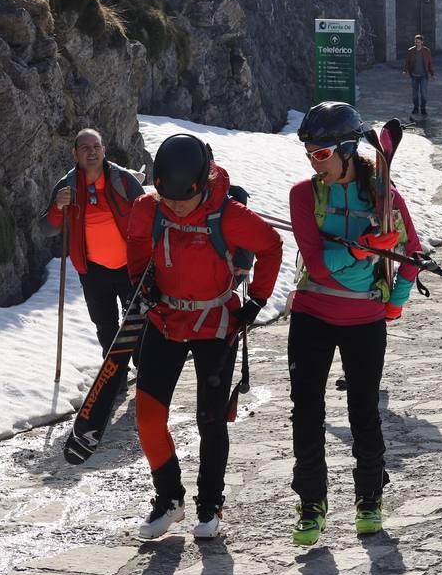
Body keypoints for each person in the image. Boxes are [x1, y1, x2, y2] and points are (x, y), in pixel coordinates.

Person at [126, 133, 283, 540]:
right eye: (167, 198)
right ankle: (169, 499)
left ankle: (209, 505)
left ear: (203, 182)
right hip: (164, 320)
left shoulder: (228, 215)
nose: (175, 207)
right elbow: (138, 241)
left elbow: (271, 246)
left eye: (183, 199)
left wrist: (257, 301)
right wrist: (141, 283)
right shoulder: (149, 209)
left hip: (215, 324)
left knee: (209, 420)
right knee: (147, 418)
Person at [287, 102, 423, 546]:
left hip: (365, 317)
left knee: (363, 411)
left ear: (348, 149)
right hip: (312, 313)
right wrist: (363, 251)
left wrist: (394, 305)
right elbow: (318, 267)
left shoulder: (384, 195)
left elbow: (411, 255)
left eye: (322, 153)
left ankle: (369, 499)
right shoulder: (302, 195)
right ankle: (311, 503)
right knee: (307, 411)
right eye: (309, 152)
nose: (314, 161)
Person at [43, 128, 145, 355]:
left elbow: (150, 216)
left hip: (131, 268)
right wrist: (59, 207)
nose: (92, 152)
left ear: (104, 150)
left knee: (138, 324)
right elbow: (48, 229)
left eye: (96, 147)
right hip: (92, 271)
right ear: (75, 153)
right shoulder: (67, 186)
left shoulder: (123, 181)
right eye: (85, 148)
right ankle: (114, 380)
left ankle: (143, 375)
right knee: (105, 327)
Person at [402, 34, 435, 117]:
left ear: (422, 42)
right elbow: (407, 62)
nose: (417, 43)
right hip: (414, 75)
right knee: (415, 94)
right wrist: (405, 70)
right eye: (416, 42)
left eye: (419, 42)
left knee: (423, 93)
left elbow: (430, 63)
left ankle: (423, 108)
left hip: (423, 75)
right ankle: (416, 107)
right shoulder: (411, 51)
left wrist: (432, 73)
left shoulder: (426, 51)